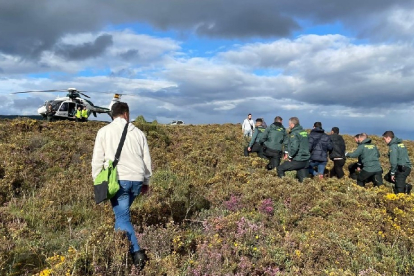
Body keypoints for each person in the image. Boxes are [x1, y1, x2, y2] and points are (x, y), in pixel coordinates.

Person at [91, 102, 152, 269]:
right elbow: (146, 160)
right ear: (126, 114)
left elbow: (97, 159)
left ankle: (138, 257)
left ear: (112, 114)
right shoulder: (139, 133)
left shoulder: (103, 132)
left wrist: (98, 180)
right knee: (121, 216)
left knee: (123, 217)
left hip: (118, 180)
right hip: (137, 180)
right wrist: (146, 181)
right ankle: (119, 247)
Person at [277, 117, 310, 182]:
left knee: (280, 168)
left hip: (298, 160)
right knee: (304, 181)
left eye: (289, 124)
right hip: (306, 160)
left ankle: (284, 185)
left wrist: (290, 156)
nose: (289, 126)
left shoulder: (294, 134)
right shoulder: (304, 132)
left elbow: (294, 147)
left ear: (292, 124)